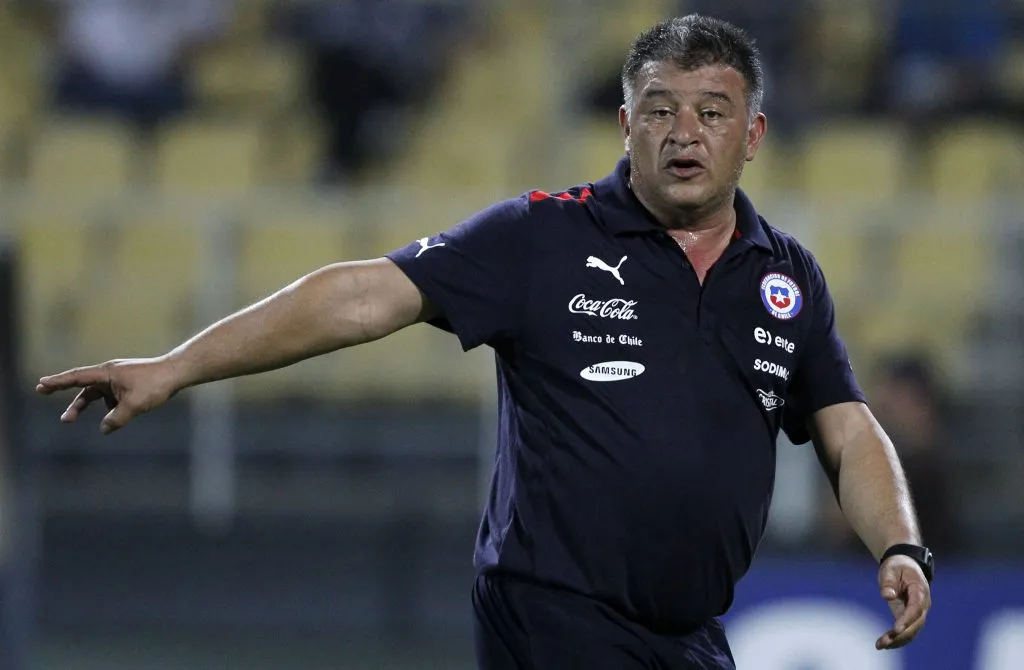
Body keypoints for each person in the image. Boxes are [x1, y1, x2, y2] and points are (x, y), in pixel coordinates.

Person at [35, 15, 933, 669]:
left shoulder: (787, 277)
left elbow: (848, 430)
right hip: (554, 615)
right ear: (626, 126)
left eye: (711, 111)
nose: (684, 133)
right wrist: (177, 366)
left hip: (691, 634)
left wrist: (900, 546)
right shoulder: (541, 237)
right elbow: (362, 296)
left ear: (754, 135)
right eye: (660, 110)